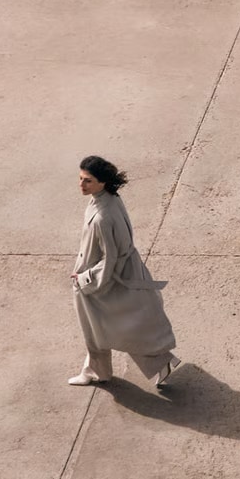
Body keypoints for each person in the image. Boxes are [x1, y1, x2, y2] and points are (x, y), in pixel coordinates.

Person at [68, 156, 183, 388]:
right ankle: (100, 370)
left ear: (102, 183)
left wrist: (85, 278)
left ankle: (101, 371)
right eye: (81, 179)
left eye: (88, 181)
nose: (81, 185)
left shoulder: (102, 216)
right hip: (120, 273)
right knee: (120, 327)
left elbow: (111, 258)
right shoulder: (109, 199)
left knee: (106, 329)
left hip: (104, 280)